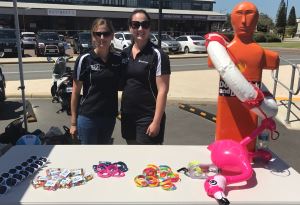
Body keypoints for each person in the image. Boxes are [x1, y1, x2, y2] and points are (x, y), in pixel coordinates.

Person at [209, 2, 279, 151]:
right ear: (232, 19)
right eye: (239, 15)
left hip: (250, 130)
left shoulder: (265, 55)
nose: (244, 21)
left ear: (256, 19)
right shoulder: (221, 53)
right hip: (225, 125)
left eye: (249, 14)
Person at [121, 9, 171, 145]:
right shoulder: (124, 54)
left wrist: (156, 121)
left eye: (145, 24)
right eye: (136, 25)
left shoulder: (158, 54)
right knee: (132, 157)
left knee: (148, 162)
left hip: (148, 117)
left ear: (149, 28)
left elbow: (163, 90)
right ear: (130, 28)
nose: (140, 28)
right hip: (128, 116)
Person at [70, 18, 122, 144]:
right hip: (88, 118)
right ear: (93, 36)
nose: (102, 37)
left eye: (106, 34)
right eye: (98, 34)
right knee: (87, 158)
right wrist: (73, 122)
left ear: (112, 36)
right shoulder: (84, 60)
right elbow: (75, 93)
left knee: (102, 158)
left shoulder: (118, 60)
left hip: (109, 118)